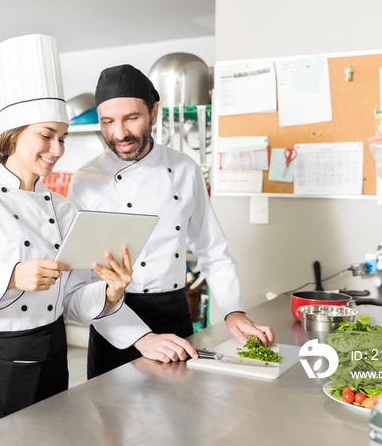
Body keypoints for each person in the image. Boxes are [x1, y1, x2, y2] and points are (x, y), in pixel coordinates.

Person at [0, 35, 133, 444]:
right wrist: (11, 275)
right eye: (46, 135)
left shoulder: (63, 208)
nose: (57, 149)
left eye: (63, 137)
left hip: (50, 357)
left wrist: (110, 293)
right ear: (13, 134)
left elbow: (73, 300)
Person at [67, 64, 275, 379]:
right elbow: (82, 281)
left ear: (154, 111)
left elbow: (212, 250)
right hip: (115, 319)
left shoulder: (184, 169)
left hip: (175, 315)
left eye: (131, 118)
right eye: (107, 122)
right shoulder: (87, 180)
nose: (119, 133)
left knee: (178, 419)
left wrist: (234, 311)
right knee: (111, 423)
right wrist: (141, 338)